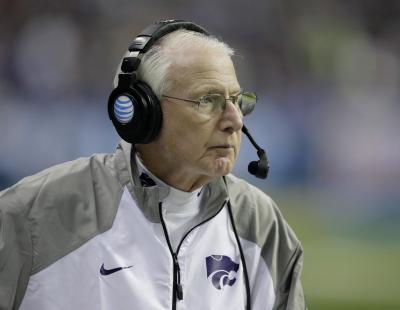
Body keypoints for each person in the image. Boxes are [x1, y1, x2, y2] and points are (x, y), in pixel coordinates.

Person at [0, 20, 306, 310]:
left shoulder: (261, 222)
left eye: (238, 101)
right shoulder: (34, 214)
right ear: (142, 113)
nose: (235, 121)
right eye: (207, 100)